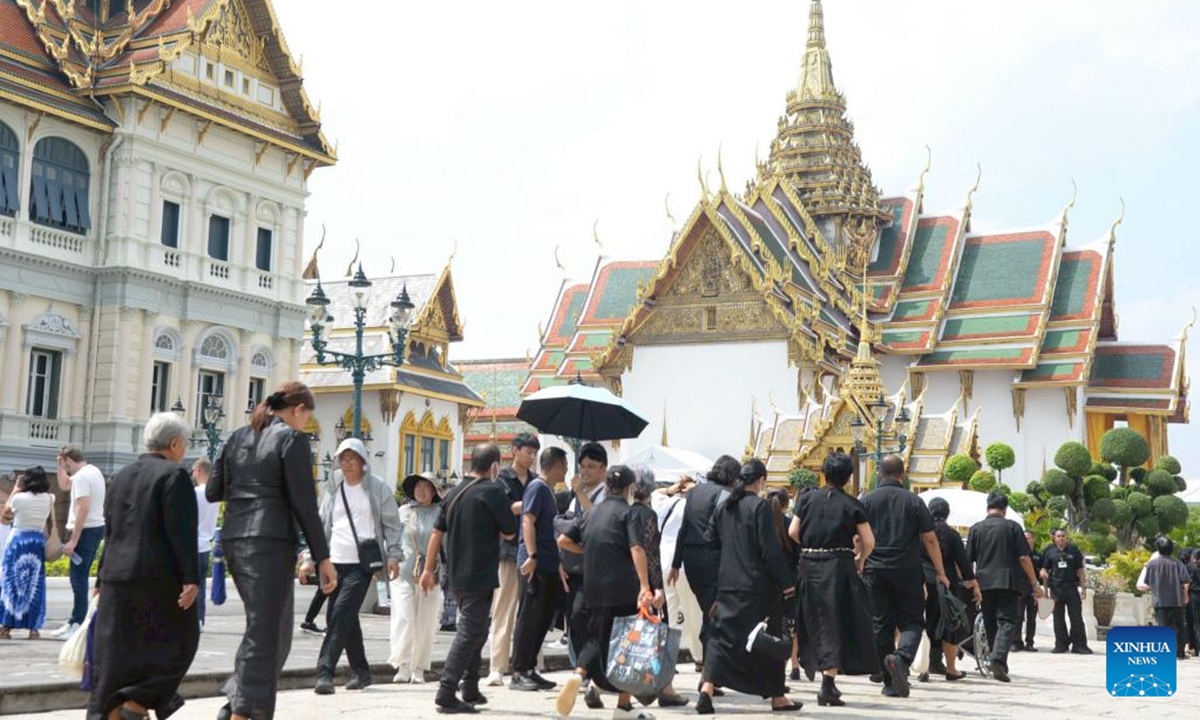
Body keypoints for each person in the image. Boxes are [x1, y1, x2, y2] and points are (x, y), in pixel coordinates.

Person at [207, 382, 336, 720]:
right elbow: (305, 504)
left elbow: (212, 491)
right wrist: (322, 557)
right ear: (297, 410)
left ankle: (236, 703)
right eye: (306, 417)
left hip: (236, 539)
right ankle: (243, 712)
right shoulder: (292, 439)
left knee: (269, 631)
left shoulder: (236, 437)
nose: (304, 424)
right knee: (267, 634)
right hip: (270, 542)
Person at [87, 412, 200, 720]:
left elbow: (111, 531)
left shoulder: (121, 475)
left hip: (115, 576)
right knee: (182, 643)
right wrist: (191, 578)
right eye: (185, 443)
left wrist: (100, 578)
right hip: (156, 579)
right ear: (175, 443)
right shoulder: (174, 476)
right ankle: (136, 703)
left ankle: (113, 711)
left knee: (116, 657)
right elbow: (182, 532)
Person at [419, 443, 518, 714]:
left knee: (476, 628)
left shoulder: (453, 493)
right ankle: (446, 690)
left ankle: (471, 686)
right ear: (494, 466)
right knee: (470, 631)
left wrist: (429, 569)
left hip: (455, 573)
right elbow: (510, 532)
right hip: (479, 573)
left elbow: (436, 533)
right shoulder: (493, 491)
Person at [695, 459, 798, 714]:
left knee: (721, 639)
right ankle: (777, 696)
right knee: (768, 637)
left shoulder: (724, 506)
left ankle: (707, 689)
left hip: (728, 584)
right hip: (757, 586)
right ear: (761, 481)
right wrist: (787, 583)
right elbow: (770, 550)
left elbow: (710, 542)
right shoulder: (760, 507)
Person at [555, 465, 654, 719]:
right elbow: (636, 548)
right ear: (630, 488)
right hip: (623, 587)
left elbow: (563, 541)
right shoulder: (629, 513)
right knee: (626, 646)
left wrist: (591, 551)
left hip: (593, 586)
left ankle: (579, 674)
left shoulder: (592, 512)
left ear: (608, 485)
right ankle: (623, 706)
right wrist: (645, 585)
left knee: (596, 639)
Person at [306, 438, 403, 694]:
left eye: (352, 459)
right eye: (343, 459)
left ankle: (324, 672)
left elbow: (393, 524)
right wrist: (310, 557)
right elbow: (322, 522)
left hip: (362, 564)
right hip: (334, 562)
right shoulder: (334, 487)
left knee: (341, 613)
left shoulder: (377, 488)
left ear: (363, 461)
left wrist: (393, 554)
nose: (347, 464)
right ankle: (361, 671)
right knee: (342, 617)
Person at [789, 451, 879, 707]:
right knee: (836, 620)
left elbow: (793, 531)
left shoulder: (806, 499)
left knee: (811, 618)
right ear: (848, 478)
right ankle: (828, 682)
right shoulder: (852, 504)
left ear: (823, 474)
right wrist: (859, 559)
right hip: (838, 566)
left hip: (808, 563)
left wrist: (809, 546)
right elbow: (869, 541)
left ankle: (816, 670)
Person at [860, 454, 949, 698]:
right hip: (907, 569)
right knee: (912, 621)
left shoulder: (866, 500)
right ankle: (901, 658)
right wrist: (940, 572)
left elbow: (858, 538)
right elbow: (930, 539)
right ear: (903, 475)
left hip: (875, 569)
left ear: (879, 474)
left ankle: (889, 683)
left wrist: (859, 563)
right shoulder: (914, 501)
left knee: (881, 624)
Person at [667, 455, 739, 688]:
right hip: (713, 559)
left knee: (710, 612)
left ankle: (710, 674)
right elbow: (726, 531)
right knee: (715, 615)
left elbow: (684, 528)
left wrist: (677, 563)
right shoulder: (725, 494)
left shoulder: (694, 493)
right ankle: (708, 676)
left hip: (691, 559)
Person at [627, 465, 688, 708]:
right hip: (647, 583)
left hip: (627, 580)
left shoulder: (627, 512)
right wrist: (655, 587)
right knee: (659, 633)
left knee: (630, 634)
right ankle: (666, 688)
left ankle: (603, 685)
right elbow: (651, 553)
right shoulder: (647, 515)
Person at [966, 491, 1041, 683]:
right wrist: (1034, 583)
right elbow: (1023, 557)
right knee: (1008, 621)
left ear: (987, 508)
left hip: (983, 582)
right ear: (1005, 509)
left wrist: (971, 583)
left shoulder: (976, 529)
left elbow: (968, 561)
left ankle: (996, 660)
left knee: (990, 622)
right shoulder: (1012, 527)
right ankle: (998, 659)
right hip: (1007, 582)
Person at [555, 442, 609, 710]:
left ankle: (587, 672)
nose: (585, 471)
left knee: (590, 620)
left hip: (596, 568)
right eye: (582, 466)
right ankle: (583, 668)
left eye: (591, 466)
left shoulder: (604, 495)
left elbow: (597, 520)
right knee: (574, 618)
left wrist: (580, 493)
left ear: (603, 469)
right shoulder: (577, 495)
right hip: (573, 567)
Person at [509, 447, 567, 693]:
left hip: (549, 563)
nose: (566, 470)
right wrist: (531, 555)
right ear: (555, 466)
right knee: (529, 617)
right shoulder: (537, 487)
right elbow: (527, 520)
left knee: (543, 618)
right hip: (535, 562)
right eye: (564, 465)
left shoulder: (548, 491)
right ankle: (519, 671)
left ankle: (530, 667)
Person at [486, 433, 540, 687]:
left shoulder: (536, 482)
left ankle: (530, 664)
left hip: (531, 553)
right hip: (507, 552)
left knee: (530, 611)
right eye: (528, 451)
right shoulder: (500, 481)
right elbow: (498, 511)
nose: (531, 457)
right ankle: (497, 666)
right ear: (514, 450)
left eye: (534, 453)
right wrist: (525, 504)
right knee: (503, 609)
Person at [919, 497, 981, 683]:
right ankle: (951, 669)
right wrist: (974, 583)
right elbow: (963, 562)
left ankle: (926, 665)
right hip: (946, 584)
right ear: (947, 514)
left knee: (923, 623)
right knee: (948, 625)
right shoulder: (952, 535)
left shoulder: (920, 533)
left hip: (922, 582)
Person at [390, 472, 443, 684]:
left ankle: (418, 667)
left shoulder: (441, 513)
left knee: (426, 622)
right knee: (404, 618)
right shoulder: (403, 511)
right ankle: (402, 664)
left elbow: (447, 544)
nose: (421, 491)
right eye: (418, 486)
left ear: (434, 491)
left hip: (430, 573)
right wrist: (390, 559)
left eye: (426, 486)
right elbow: (392, 538)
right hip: (404, 572)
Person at [50, 445, 107, 639]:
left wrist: (74, 540)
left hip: (86, 531)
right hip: (94, 528)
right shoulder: (93, 471)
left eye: (65, 463)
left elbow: (83, 508)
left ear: (70, 460)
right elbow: (65, 485)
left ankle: (78, 623)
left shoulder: (82, 477)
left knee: (78, 579)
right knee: (78, 578)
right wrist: (60, 466)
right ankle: (74, 621)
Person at [651, 476, 704, 672]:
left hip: (662, 563)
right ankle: (699, 658)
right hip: (683, 564)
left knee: (668, 613)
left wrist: (672, 489)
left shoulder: (661, 501)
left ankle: (667, 657)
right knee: (693, 613)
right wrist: (694, 488)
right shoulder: (692, 505)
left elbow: (655, 492)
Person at [0, 466, 54, 639]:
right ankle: (33, 628)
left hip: (18, 540)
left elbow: (6, 511)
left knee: (11, 582)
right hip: (36, 541)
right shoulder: (50, 498)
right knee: (35, 585)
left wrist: (16, 488)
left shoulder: (20, 498)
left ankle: (6, 626)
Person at [1137, 537, 1191, 660]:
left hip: (1159, 600)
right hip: (1176, 600)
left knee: (1163, 627)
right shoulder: (1177, 563)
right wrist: (1185, 595)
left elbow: (1146, 583)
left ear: (1158, 549)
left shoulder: (1151, 565)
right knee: (1178, 627)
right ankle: (1179, 653)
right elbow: (1185, 581)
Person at [1040, 528, 1092, 654]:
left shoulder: (1074, 550)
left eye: (1063, 536)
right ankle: (1061, 644)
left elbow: (1080, 570)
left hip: (1072, 588)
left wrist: (1083, 588)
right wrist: (1045, 588)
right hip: (1056, 589)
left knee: (1076, 618)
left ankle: (1079, 645)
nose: (1061, 538)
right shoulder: (1049, 551)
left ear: (1067, 537)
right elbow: (1044, 569)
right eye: (1058, 536)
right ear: (1054, 538)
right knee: (1058, 618)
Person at [191, 459, 219, 631]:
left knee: (188, 584)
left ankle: (189, 619)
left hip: (192, 543)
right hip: (206, 544)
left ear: (199, 471)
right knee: (200, 585)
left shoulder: (195, 492)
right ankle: (199, 619)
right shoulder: (214, 494)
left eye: (194, 471)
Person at [1013, 529, 1042, 652]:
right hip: (1020, 587)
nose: (1026, 540)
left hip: (1033, 589)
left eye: (1028, 538)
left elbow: (1042, 573)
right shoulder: (1016, 554)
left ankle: (1029, 642)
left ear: (1033, 539)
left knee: (1031, 617)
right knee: (1018, 616)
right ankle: (1016, 642)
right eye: (1024, 538)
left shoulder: (1039, 555)